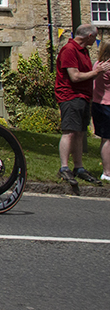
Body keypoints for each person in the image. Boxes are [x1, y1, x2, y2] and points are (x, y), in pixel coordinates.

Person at [54, 23, 109, 190]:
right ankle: (64, 167)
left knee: (79, 133)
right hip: (70, 96)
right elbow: (75, 76)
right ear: (89, 36)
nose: (96, 39)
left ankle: (78, 167)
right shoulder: (69, 50)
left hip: (83, 97)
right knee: (69, 131)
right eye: (96, 36)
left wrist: (95, 73)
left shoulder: (83, 51)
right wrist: (97, 72)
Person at [90, 39, 110, 184]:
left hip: (98, 104)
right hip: (107, 105)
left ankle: (107, 171)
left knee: (105, 139)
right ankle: (107, 172)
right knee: (107, 139)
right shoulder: (108, 67)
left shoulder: (97, 65)